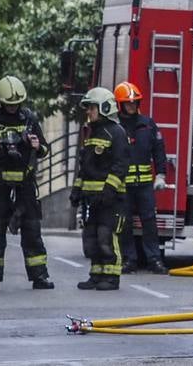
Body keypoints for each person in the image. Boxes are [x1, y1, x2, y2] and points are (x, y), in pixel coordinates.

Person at [0, 76, 53, 291]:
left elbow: (45, 150)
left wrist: (37, 146)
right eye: (9, 104)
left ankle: (39, 276)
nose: (13, 108)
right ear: (0, 102)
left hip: (25, 186)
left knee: (32, 231)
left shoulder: (29, 119)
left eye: (16, 104)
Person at [72, 87, 129, 291]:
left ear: (104, 108)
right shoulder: (92, 132)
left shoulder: (117, 133)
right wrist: (77, 191)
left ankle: (112, 276)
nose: (88, 112)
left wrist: (108, 190)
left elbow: (120, 165)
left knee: (107, 236)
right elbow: (85, 167)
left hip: (110, 199)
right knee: (92, 237)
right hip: (92, 198)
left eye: (92, 108)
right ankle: (96, 274)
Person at [114, 81, 170, 274]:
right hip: (122, 186)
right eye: (128, 103)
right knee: (125, 223)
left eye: (134, 103)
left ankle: (154, 260)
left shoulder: (147, 125)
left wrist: (161, 174)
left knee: (149, 222)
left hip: (145, 185)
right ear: (120, 104)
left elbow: (159, 150)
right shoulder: (116, 127)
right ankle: (129, 260)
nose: (132, 106)